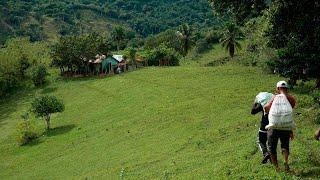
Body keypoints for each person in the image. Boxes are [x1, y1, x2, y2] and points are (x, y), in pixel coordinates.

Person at [264, 81, 296, 172]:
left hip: (274, 127)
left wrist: (267, 112)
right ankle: (286, 161)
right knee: (285, 145)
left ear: (278, 89)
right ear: (287, 89)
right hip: (286, 127)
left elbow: (266, 107)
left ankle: (277, 168)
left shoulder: (275, 97)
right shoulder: (291, 99)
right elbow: (288, 113)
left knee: (272, 147)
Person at [251, 92, 273, 164]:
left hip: (265, 124)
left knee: (261, 140)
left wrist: (256, 102)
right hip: (276, 124)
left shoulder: (263, 104)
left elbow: (253, 111)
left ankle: (265, 153)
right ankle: (273, 157)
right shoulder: (274, 102)